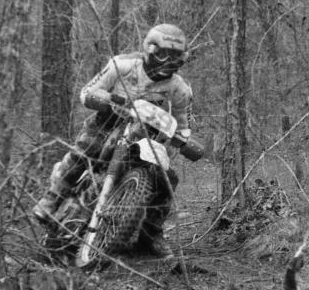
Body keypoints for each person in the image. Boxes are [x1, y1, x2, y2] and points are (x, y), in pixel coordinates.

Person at [33, 23, 193, 258]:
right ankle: (52, 199)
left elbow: (181, 123)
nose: (167, 60)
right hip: (105, 126)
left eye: (175, 56)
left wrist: (186, 140)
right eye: (162, 53)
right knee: (86, 150)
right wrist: (105, 98)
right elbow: (87, 92)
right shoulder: (123, 66)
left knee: (167, 179)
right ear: (150, 49)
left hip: (146, 139)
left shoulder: (180, 89)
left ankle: (151, 235)